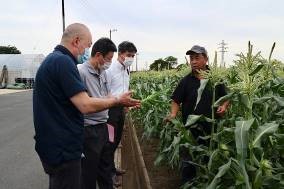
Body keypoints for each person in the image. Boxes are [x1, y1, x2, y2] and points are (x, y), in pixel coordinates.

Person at [33, 23, 140, 189]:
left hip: (61, 144)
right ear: (76, 41)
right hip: (65, 148)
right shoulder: (63, 62)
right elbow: (85, 104)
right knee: (82, 178)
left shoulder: (54, 61)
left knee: (101, 171)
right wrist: (118, 101)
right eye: (87, 45)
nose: (86, 51)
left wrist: (118, 100)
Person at [165, 45, 229, 184]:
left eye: (197, 58)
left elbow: (226, 97)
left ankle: (207, 182)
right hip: (191, 131)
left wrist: (224, 107)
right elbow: (176, 100)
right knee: (188, 162)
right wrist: (173, 114)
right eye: (191, 58)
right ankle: (188, 184)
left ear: (206, 59)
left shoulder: (216, 79)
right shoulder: (186, 81)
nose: (193, 61)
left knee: (209, 160)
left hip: (212, 130)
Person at [77, 37, 118, 189]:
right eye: (108, 58)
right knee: (88, 174)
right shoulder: (80, 72)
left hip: (103, 127)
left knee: (105, 171)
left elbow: (108, 96)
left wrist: (108, 100)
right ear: (99, 55)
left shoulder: (104, 73)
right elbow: (83, 103)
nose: (109, 62)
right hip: (88, 130)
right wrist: (108, 100)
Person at [105, 41, 137, 184]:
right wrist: (117, 101)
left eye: (133, 56)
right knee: (109, 142)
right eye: (129, 55)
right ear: (120, 54)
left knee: (117, 139)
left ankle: (112, 168)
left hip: (120, 110)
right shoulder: (110, 69)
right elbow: (105, 92)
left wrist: (127, 105)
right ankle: (108, 173)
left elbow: (124, 90)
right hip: (110, 111)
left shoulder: (126, 70)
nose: (131, 58)